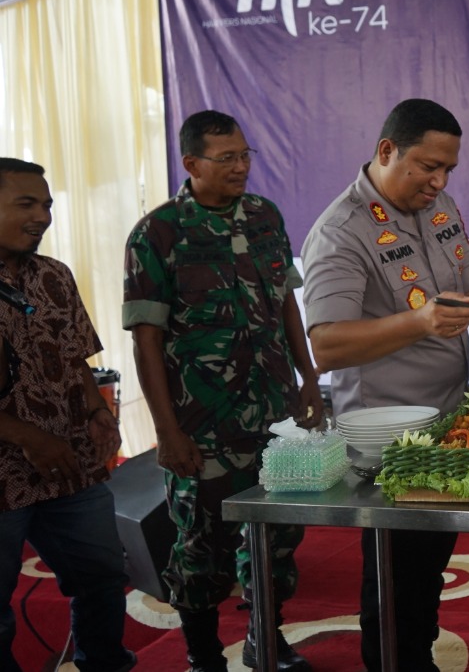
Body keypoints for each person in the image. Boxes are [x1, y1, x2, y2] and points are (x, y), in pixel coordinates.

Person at [301, 98, 469, 672]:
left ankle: (418, 658)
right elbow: (326, 346)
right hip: (389, 444)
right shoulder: (340, 232)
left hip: (448, 426)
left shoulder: (439, 206)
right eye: (429, 167)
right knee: (393, 582)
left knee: (428, 571)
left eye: (449, 169)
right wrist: (420, 322)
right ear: (387, 151)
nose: (440, 182)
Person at [123, 112, 323, 672]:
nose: (240, 167)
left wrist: (308, 377)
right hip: (203, 426)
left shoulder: (264, 216)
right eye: (226, 158)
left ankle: (266, 638)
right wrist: (166, 431)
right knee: (201, 545)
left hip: (275, 415)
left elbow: (285, 301)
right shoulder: (157, 233)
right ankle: (203, 656)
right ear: (191, 163)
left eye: (244, 155)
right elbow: (146, 339)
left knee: (277, 534)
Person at [0, 158, 135, 672]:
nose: (42, 216)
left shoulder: (54, 276)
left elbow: (75, 356)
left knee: (103, 579)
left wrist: (97, 410)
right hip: (4, 480)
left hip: (69, 467)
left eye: (47, 205)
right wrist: (27, 436)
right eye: (26, 204)